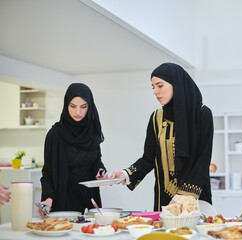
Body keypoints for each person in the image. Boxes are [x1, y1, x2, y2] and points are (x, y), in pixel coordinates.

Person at [110, 63, 214, 211]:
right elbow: (148, 158)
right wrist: (126, 173)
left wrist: (183, 197)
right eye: (153, 87)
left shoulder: (202, 114)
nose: (155, 91)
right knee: (165, 234)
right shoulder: (156, 118)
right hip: (165, 199)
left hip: (195, 198)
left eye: (160, 85)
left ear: (175, 84)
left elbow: (202, 162)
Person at [38, 83, 107, 216]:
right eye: (73, 106)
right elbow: (47, 173)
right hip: (64, 201)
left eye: (83, 107)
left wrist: (100, 171)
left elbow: (95, 161)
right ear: (66, 105)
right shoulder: (55, 135)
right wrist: (47, 198)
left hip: (90, 202)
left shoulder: (92, 132)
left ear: (90, 107)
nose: (78, 112)